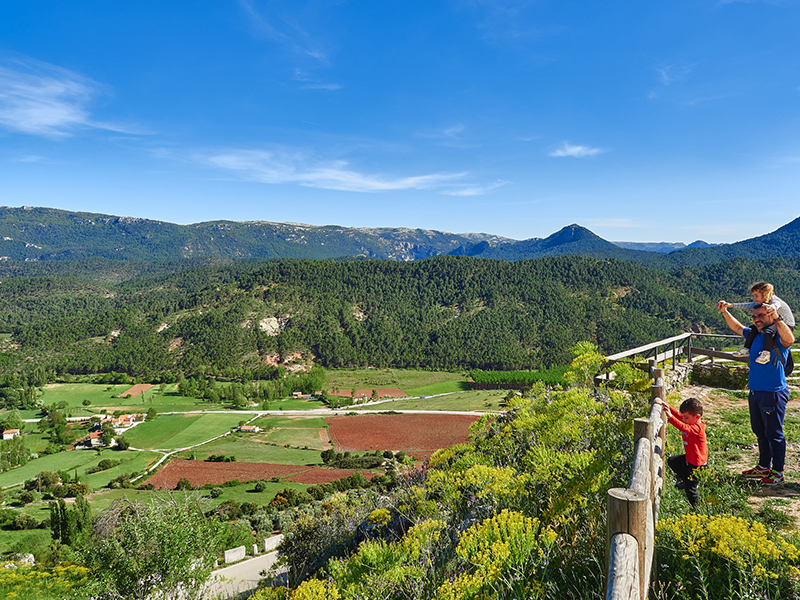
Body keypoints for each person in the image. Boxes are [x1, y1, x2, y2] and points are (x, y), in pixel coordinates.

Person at [717, 300, 795, 485]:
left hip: (773, 392)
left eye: (761, 315)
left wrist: (776, 317)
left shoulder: (777, 337)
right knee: (760, 431)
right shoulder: (757, 336)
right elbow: (737, 327)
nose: (757, 319)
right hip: (755, 392)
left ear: (771, 315)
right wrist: (725, 312)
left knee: (774, 433)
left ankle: (778, 472)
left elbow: (790, 339)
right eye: (754, 316)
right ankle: (763, 466)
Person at [723, 282, 795, 367]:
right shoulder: (763, 302)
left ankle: (766, 353)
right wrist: (731, 305)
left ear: (765, 294)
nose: (755, 298)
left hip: (786, 324)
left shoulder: (774, 301)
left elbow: (776, 305)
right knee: (752, 329)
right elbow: (747, 305)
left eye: (756, 295)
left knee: (769, 331)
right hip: (776, 322)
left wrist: (773, 309)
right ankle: (746, 348)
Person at [656, 397, 707, 506]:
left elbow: (684, 428)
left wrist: (670, 417)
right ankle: (685, 481)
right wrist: (666, 406)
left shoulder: (698, 428)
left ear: (697, 417)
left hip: (697, 465)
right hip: (690, 459)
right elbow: (679, 416)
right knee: (672, 461)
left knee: (691, 490)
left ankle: (696, 508)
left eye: (686, 417)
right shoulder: (689, 421)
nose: (683, 419)